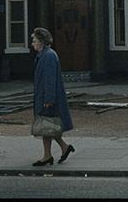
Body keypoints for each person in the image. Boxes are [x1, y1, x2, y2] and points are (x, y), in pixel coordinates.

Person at [31, 27, 75, 166]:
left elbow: (50, 79)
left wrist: (49, 99)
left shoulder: (48, 56)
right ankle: (61, 149)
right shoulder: (45, 55)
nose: (32, 43)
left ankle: (48, 155)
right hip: (44, 96)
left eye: (34, 40)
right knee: (48, 126)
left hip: (47, 98)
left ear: (41, 42)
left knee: (46, 126)